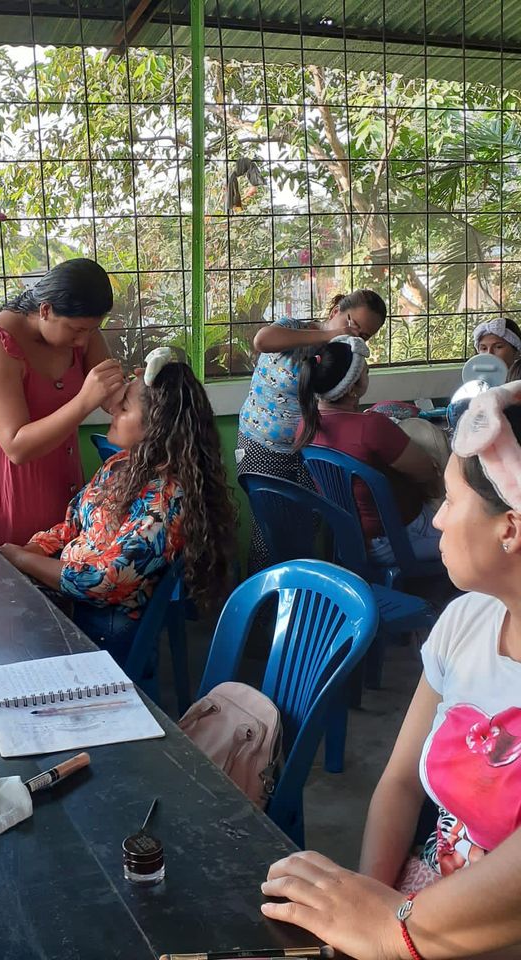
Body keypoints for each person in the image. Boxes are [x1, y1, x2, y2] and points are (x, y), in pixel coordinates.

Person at [262, 380, 521, 960]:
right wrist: (369, 903)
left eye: (450, 500)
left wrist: (391, 929)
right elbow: (401, 782)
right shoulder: (466, 621)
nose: (437, 521)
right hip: (423, 911)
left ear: (510, 528)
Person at [0, 351, 235, 665]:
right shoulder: (120, 465)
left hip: (104, 623)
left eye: (123, 407)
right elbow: (71, 526)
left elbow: (104, 581)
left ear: (156, 425)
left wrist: (24, 561)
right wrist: (28, 551)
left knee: (8, 644)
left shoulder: (164, 501)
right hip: (74, 597)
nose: (112, 410)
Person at [0, 258, 125, 547]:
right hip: (5, 494)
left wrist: (136, 392)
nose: (83, 341)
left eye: (91, 330)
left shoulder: (81, 328)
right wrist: (84, 401)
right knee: (10, 572)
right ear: (45, 310)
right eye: (77, 330)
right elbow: (16, 447)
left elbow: (110, 398)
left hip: (63, 490)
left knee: (65, 566)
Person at [238, 289, 387, 569]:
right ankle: (263, 595)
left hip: (308, 452)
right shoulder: (294, 328)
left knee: (304, 533)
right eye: (352, 324)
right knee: (268, 535)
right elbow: (262, 340)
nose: (354, 335)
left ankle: (303, 592)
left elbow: (343, 407)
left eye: (364, 335)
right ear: (336, 312)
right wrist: (330, 335)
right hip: (260, 446)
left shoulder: (342, 358)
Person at [294, 336, 441, 565]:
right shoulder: (372, 427)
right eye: (366, 372)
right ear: (353, 388)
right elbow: (427, 472)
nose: (367, 375)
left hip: (348, 541)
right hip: (396, 541)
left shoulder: (305, 426)